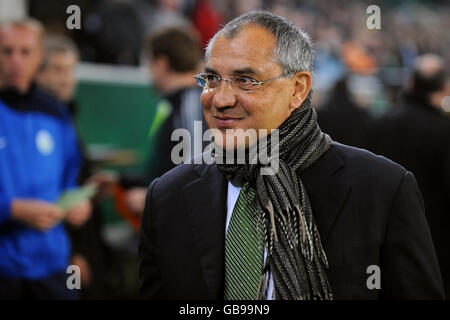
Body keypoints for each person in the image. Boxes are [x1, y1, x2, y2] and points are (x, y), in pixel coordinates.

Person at [138, 11, 444, 300]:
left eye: (245, 80)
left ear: (298, 89)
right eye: (213, 79)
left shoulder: (383, 190)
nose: (221, 99)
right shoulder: (167, 196)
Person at [0, 19, 91, 299]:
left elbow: (72, 177)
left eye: (25, 52)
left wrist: (77, 204)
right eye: (7, 51)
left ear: (39, 57)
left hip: (52, 267)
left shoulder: (56, 114)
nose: (16, 60)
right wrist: (12, 210)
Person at [369, 54, 450, 297]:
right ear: (444, 87)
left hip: (382, 232)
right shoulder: (444, 130)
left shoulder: (381, 124)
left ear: (410, 84)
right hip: (435, 238)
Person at [117, 25, 206, 216]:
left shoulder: (190, 103)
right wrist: (121, 180)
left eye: (149, 62)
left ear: (162, 63)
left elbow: (196, 174)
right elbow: (169, 167)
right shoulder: (177, 103)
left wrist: (151, 196)